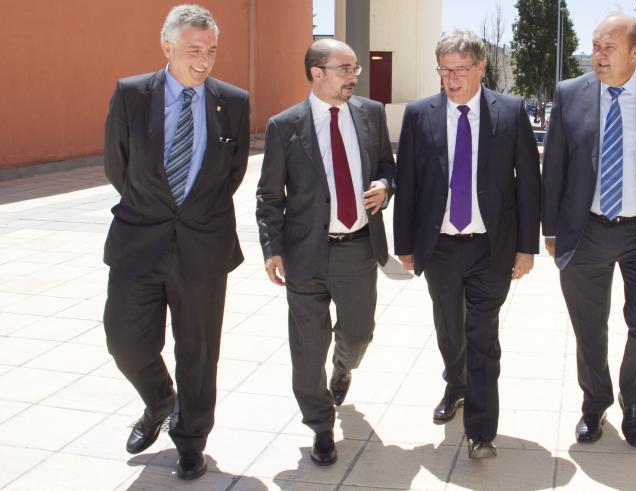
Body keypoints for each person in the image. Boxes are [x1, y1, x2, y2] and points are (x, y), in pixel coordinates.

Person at [101, 4, 249, 480]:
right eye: (192, 50)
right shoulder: (131, 95)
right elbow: (117, 166)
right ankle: (160, 400)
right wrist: (156, 208)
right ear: (167, 48)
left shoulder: (234, 101)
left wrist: (190, 212)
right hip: (138, 241)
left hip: (203, 247)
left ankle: (191, 438)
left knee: (199, 350)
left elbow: (232, 173)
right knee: (124, 339)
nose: (203, 60)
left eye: (210, 50)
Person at [542, 15, 636, 448]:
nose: (599, 55)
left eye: (609, 47)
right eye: (595, 46)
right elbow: (554, 164)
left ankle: (633, 400)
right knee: (588, 326)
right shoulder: (570, 94)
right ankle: (595, 404)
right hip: (585, 231)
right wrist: (551, 229)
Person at [393, 29, 541, 459]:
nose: (452, 79)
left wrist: (526, 246)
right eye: (445, 70)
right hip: (439, 247)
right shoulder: (420, 114)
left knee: (482, 336)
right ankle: (454, 384)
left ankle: (481, 430)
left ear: (481, 67)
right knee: (449, 329)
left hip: (490, 248)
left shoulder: (510, 113)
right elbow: (410, 183)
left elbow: (528, 184)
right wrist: (406, 244)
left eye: (460, 70)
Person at [255, 39, 394, 466]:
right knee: (306, 347)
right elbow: (268, 195)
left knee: (358, 333)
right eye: (345, 68)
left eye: (355, 69)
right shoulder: (285, 125)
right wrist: (272, 248)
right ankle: (320, 426)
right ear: (317, 73)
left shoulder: (370, 114)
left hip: (357, 251)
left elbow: (388, 165)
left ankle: (343, 366)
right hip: (305, 257)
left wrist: (385, 187)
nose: (355, 76)